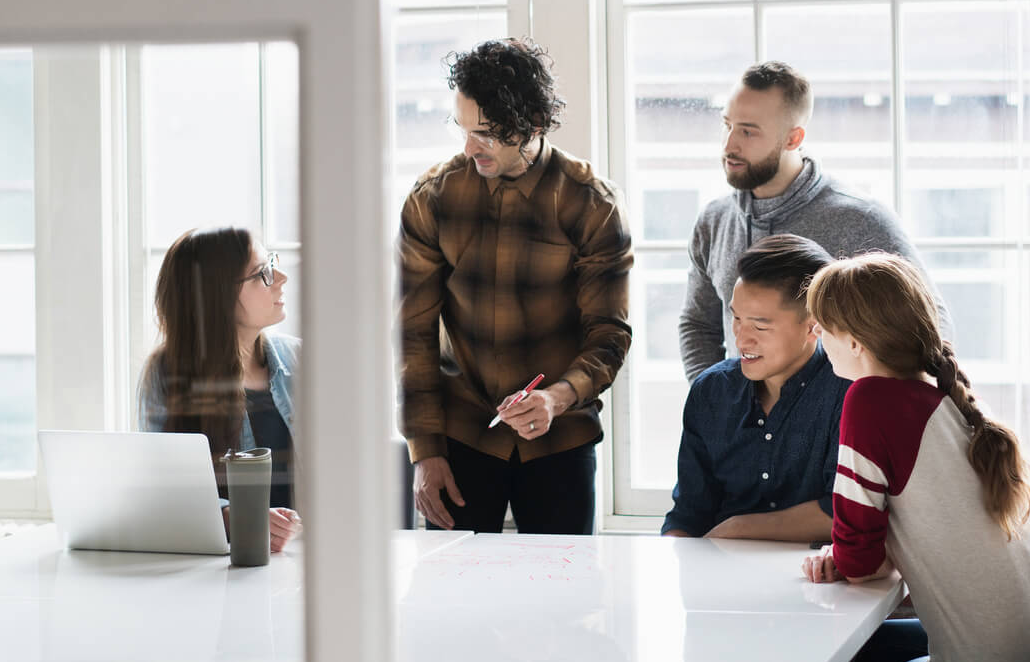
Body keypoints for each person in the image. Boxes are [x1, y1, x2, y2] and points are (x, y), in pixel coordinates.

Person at [800, 252, 1030, 662]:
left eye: (824, 323)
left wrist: (841, 559)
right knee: (873, 652)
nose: (815, 331)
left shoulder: (870, 400)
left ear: (856, 341)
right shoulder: (947, 392)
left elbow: (861, 564)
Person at [398, 37, 633, 535]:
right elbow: (412, 334)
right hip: (461, 439)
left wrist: (558, 398)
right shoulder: (432, 198)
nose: (468, 147)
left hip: (560, 440)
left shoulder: (592, 203)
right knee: (453, 602)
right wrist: (425, 451)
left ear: (533, 125)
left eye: (484, 132)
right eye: (462, 129)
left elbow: (609, 335)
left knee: (563, 606)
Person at [679, 60, 953, 382]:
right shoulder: (714, 221)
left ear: (793, 139)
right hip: (742, 429)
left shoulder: (861, 220)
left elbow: (931, 327)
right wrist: (714, 403)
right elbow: (698, 325)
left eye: (748, 132)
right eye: (727, 125)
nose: (729, 145)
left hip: (842, 428)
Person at [661, 234, 849, 541]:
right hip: (719, 574)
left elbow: (844, 510)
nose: (741, 339)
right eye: (736, 318)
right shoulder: (711, 391)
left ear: (814, 324)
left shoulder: (848, 392)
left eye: (760, 326)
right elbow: (688, 514)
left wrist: (739, 529)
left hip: (817, 578)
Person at [138, 226, 303, 553]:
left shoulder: (301, 360)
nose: (281, 277)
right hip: (219, 563)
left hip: (307, 558)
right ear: (217, 296)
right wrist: (232, 514)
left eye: (272, 262)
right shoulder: (166, 374)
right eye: (262, 273)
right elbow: (162, 490)